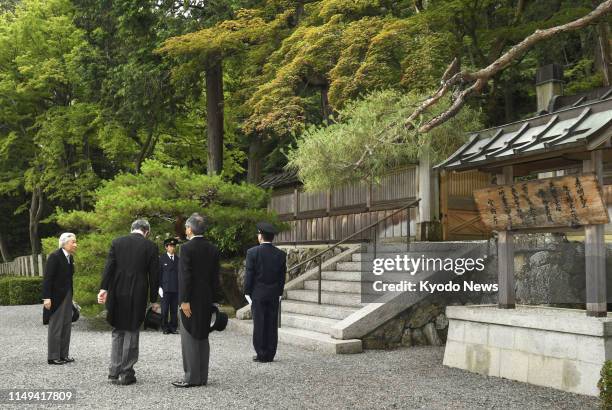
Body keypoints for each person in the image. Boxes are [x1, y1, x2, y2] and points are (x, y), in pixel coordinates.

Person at [97, 219, 159, 386]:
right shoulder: (150, 246)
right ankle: (126, 373)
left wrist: (103, 289)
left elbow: (108, 267)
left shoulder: (117, 242)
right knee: (132, 330)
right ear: (146, 231)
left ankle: (113, 372)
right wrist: (154, 299)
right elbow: (154, 275)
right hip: (137, 293)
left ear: (132, 228)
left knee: (117, 330)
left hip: (117, 291)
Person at [172, 213, 221, 388]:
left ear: (190, 229)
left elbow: (185, 277)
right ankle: (202, 377)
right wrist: (215, 301)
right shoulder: (213, 249)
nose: (185, 230)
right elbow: (216, 278)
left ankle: (191, 377)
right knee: (202, 335)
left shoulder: (186, 248)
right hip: (207, 298)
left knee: (189, 336)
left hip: (190, 299)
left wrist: (184, 300)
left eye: (186, 227)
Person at [244, 222, 286, 363]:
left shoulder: (252, 252)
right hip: (274, 293)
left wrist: (246, 292)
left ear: (261, 236)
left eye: (258, 234)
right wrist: (280, 293)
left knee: (260, 323)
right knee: (272, 324)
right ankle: (270, 353)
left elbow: (249, 274)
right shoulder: (280, 254)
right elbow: (282, 276)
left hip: (258, 293)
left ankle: (261, 353)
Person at [42, 233, 78, 365]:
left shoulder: (70, 258)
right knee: (56, 327)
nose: (75, 244)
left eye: (75, 242)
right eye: (73, 242)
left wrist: (71, 298)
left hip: (67, 296)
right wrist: (46, 298)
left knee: (66, 325)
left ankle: (64, 355)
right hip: (56, 297)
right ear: (64, 243)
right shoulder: (55, 256)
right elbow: (47, 279)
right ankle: (53, 356)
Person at [159, 238, 179, 334]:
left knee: (174, 310)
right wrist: (159, 287)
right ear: (166, 247)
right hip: (165, 288)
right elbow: (159, 274)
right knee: (165, 309)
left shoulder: (178, 259)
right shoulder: (161, 259)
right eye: (170, 246)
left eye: (174, 246)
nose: (172, 248)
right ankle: (165, 328)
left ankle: (173, 327)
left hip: (176, 288)